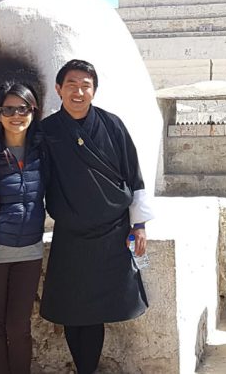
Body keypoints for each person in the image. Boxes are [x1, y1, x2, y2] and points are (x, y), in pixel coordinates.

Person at [39, 59, 153, 374]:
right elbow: (37, 182)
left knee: (97, 310)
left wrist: (139, 224)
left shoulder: (113, 125)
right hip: (70, 234)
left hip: (112, 233)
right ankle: (84, 368)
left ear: (94, 90)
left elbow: (134, 175)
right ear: (59, 89)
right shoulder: (47, 132)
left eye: (85, 85)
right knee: (73, 309)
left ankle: (87, 370)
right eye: (71, 84)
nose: (78, 91)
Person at [0, 81, 47, 374]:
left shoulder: (43, 150)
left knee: (19, 326)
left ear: (33, 111)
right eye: (8, 109)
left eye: (23, 108)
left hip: (30, 249)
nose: (16, 115)